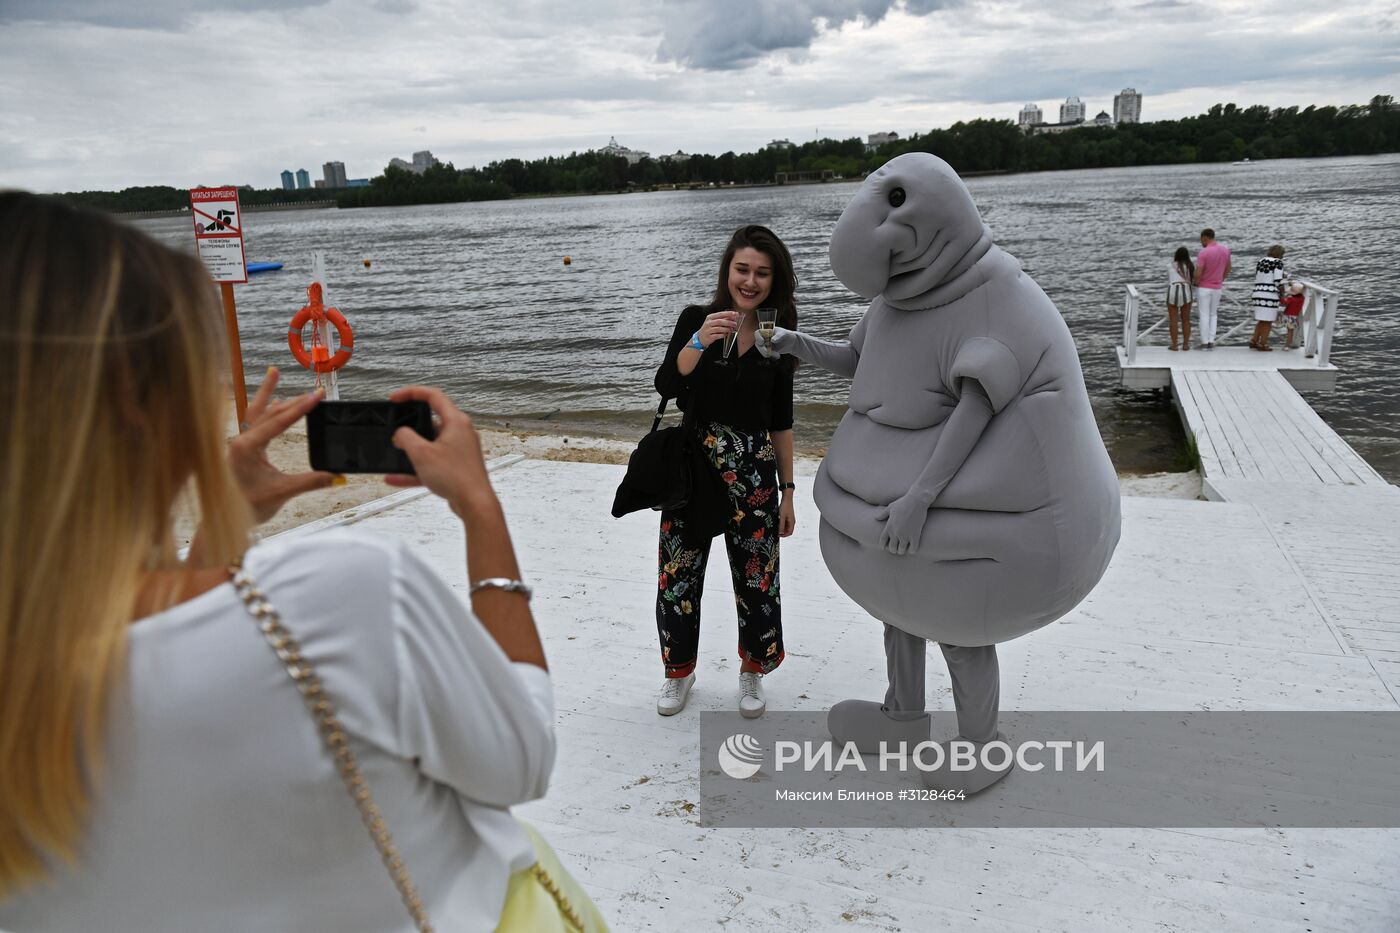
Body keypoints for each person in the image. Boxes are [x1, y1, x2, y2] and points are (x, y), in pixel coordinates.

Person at [0, 193, 606, 932]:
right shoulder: (340, 600)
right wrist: (481, 507)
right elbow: (522, 755)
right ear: (133, 396)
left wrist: (223, 520)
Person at [651, 224, 798, 719]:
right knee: (678, 575)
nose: (750, 281)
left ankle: (753, 670)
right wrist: (698, 340)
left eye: (761, 273)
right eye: (742, 270)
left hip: (755, 475)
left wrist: (790, 491)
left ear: (773, 280)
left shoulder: (779, 336)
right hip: (694, 470)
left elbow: (781, 422)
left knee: (757, 579)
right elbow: (668, 382)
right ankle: (679, 673)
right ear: (727, 271)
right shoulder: (698, 318)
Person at [1193, 228, 1232, 349]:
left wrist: (1195, 282)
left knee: (1204, 314)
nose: (1201, 242)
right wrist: (1221, 279)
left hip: (1204, 287)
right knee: (1213, 314)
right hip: (1217, 287)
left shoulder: (1204, 252)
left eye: (1201, 240)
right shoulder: (1225, 250)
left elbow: (1198, 273)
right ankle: (1211, 341)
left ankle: (1204, 342)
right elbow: (1228, 268)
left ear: (1205, 237)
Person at [1248, 245, 1287, 351]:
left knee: (1262, 320)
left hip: (1258, 292)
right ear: (1280, 254)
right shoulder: (1277, 262)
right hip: (1269, 295)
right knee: (1268, 321)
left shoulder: (1261, 261)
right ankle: (1263, 343)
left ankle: (1254, 340)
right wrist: (1283, 291)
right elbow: (1277, 280)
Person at [1167, 246, 1195, 351]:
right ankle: (1185, 345)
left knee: (1173, 320)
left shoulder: (1169, 266)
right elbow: (1192, 280)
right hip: (1186, 290)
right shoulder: (1190, 266)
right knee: (1186, 320)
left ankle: (1174, 345)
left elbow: (1169, 278)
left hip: (1173, 290)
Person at [1281, 281, 1306, 349]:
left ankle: (1287, 345)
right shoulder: (1302, 299)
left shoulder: (1291, 299)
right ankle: (1289, 344)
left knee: (1289, 331)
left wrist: (1281, 296)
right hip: (1294, 317)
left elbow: (1283, 302)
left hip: (1288, 316)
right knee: (1291, 331)